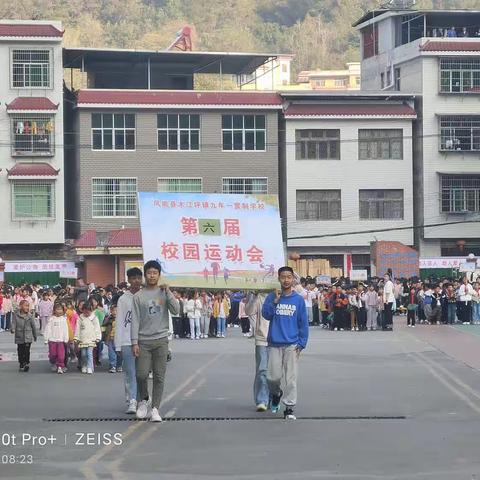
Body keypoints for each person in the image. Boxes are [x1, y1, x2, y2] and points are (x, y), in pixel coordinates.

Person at [131, 260, 180, 422]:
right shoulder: (138, 296)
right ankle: (144, 399)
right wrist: (134, 342)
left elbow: (176, 310)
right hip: (143, 341)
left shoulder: (164, 292)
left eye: (155, 273)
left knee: (159, 376)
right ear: (145, 275)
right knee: (141, 374)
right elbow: (135, 320)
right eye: (149, 272)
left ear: (159, 275)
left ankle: (155, 409)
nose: (152, 275)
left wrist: (169, 293)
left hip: (161, 340)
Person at [262, 266, 309, 420]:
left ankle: (289, 408)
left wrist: (302, 343)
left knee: (291, 378)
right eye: (283, 277)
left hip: (292, 344)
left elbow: (303, 324)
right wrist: (274, 302)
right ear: (279, 279)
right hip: (274, 343)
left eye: (289, 277)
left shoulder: (298, 300)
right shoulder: (272, 297)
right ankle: (275, 394)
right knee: (272, 378)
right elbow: (266, 315)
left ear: (293, 279)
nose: (286, 280)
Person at [115, 267, 143, 414]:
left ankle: (141, 400)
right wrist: (117, 345)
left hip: (143, 340)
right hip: (126, 341)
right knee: (130, 372)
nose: (136, 281)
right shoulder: (123, 299)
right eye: (133, 278)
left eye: (139, 277)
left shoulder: (146, 296)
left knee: (142, 373)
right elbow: (119, 321)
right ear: (129, 280)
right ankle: (132, 400)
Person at [246, 291, 270, 412]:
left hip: (279, 339)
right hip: (262, 338)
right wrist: (254, 297)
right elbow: (248, 311)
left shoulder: (282, 293)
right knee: (262, 370)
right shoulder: (258, 295)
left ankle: (273, 395)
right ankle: (262, 400)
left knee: (276, 373)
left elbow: (300, 290)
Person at [74, 301, 102, 375]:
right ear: (82, 310)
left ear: (91, 310)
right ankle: (84, 365)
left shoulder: (94, 318)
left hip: (91, 339)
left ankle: (90, 367)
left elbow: (97, 328)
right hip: (83, 339)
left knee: (89, 353)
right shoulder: (80, 318)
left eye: (88, 311)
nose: (86, 313)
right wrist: (76, 337)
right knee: (83, 354)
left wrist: (98, 337)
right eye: (85, 311)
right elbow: (77, 328)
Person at [11, 299, 37, 372]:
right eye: (25, 305)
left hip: (28, 337)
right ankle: (21, 363)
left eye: (28, 306)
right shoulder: (16, 315)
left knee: (26, 351)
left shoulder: (30, 316)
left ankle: (26, 363)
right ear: (20, 306)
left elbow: (33, 326)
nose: (27, 307)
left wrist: (35, 335)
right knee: (20, 351)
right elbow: (13, 323)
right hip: (19, 337)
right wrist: (12, 329)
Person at [44, 303, 69, 374]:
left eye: (60, 309)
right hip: (52, 340)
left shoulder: (63, 319)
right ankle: (53, 362)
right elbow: (48, 329)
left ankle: (60, 366)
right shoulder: (51, 319)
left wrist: (66, 339)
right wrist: (46, 339)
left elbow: (65, 329)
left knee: (61, 355)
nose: (59, 311)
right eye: (57, 309)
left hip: (61, 340)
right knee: (53, 354)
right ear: (54, 310)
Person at [103, 303, 122, 372]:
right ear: (111, 311)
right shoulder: (109, 319)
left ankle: (119, 365)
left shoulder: (122, 320)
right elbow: (104, 325)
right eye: (113, 311)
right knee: (111, 353)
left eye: (117, 311)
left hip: (119, 339)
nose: (115, 312)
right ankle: (112, 366)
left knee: (119, 353)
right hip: (111, 338)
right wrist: (107, 317)